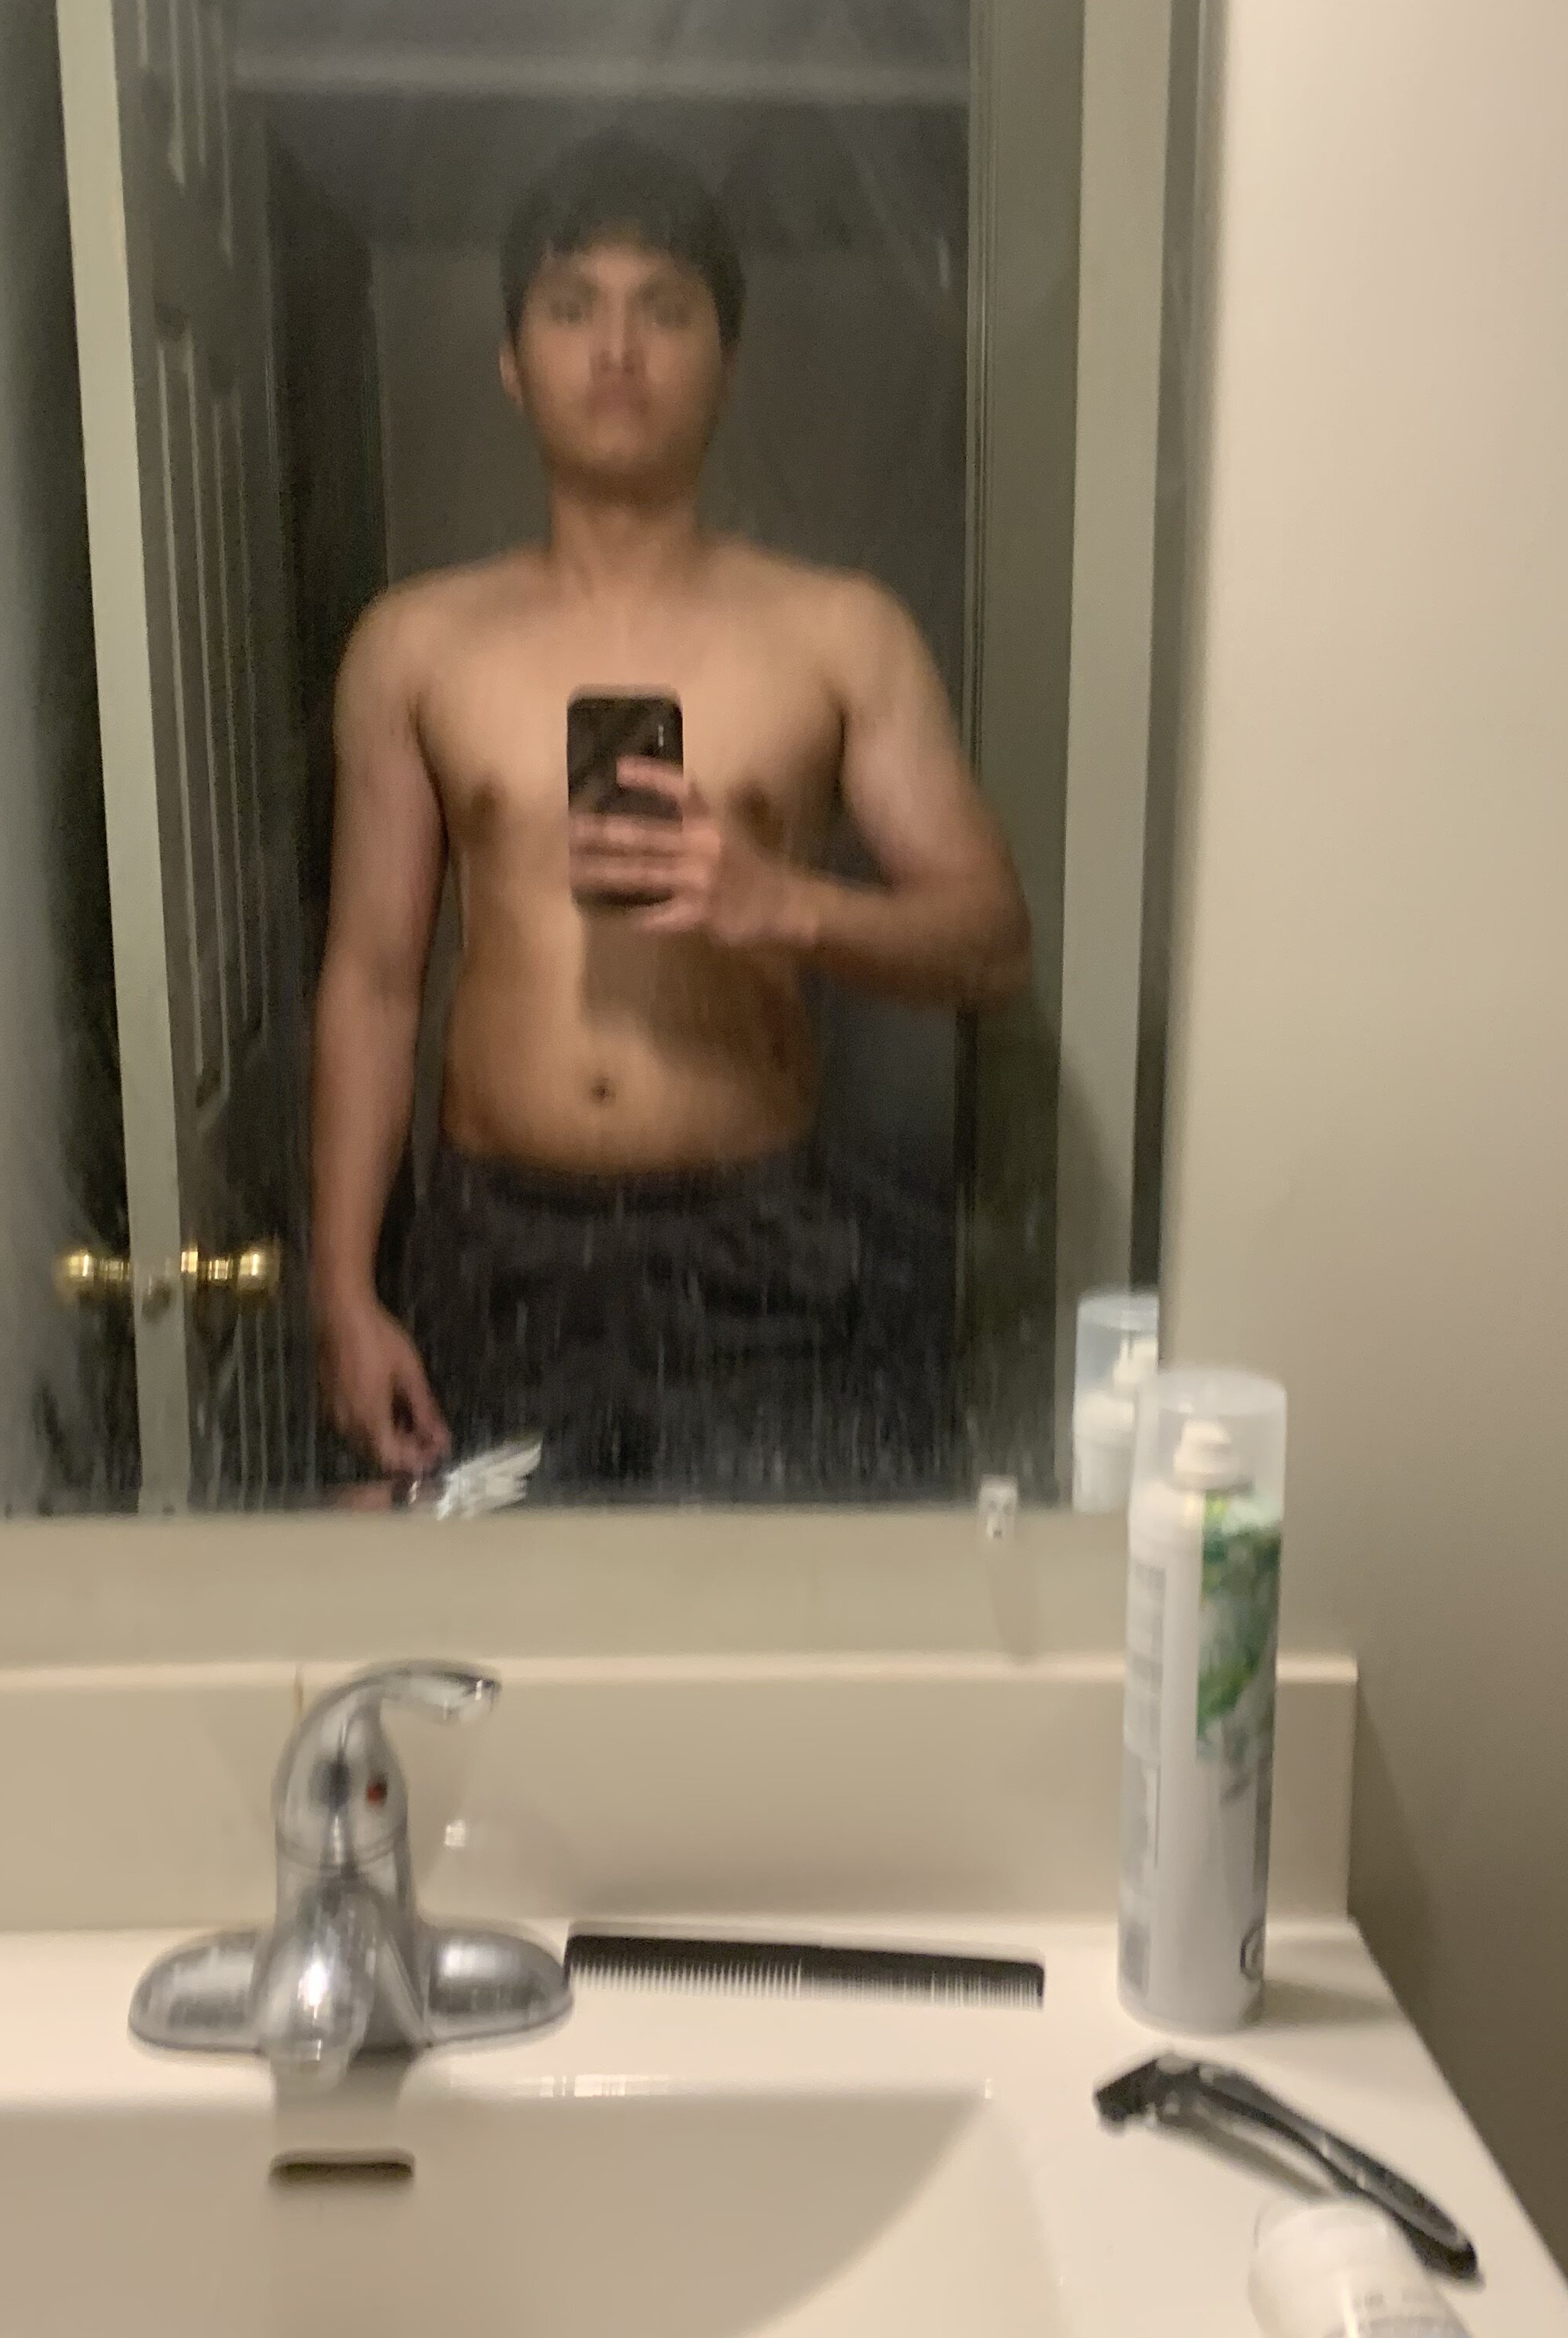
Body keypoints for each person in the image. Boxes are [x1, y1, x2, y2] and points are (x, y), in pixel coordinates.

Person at [310, 131, 1030, 1496]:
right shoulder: (416, 647)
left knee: (760, 1618)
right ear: (512, 361)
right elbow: (372, 982)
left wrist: (783, 901)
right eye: (572, 305)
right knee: (495, 1620)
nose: (618, 349)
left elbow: (991, 942)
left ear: (728, 360)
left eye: (665, 308)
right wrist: (344, 1289)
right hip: (499, 1248)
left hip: (755, 1244)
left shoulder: (838, 635)